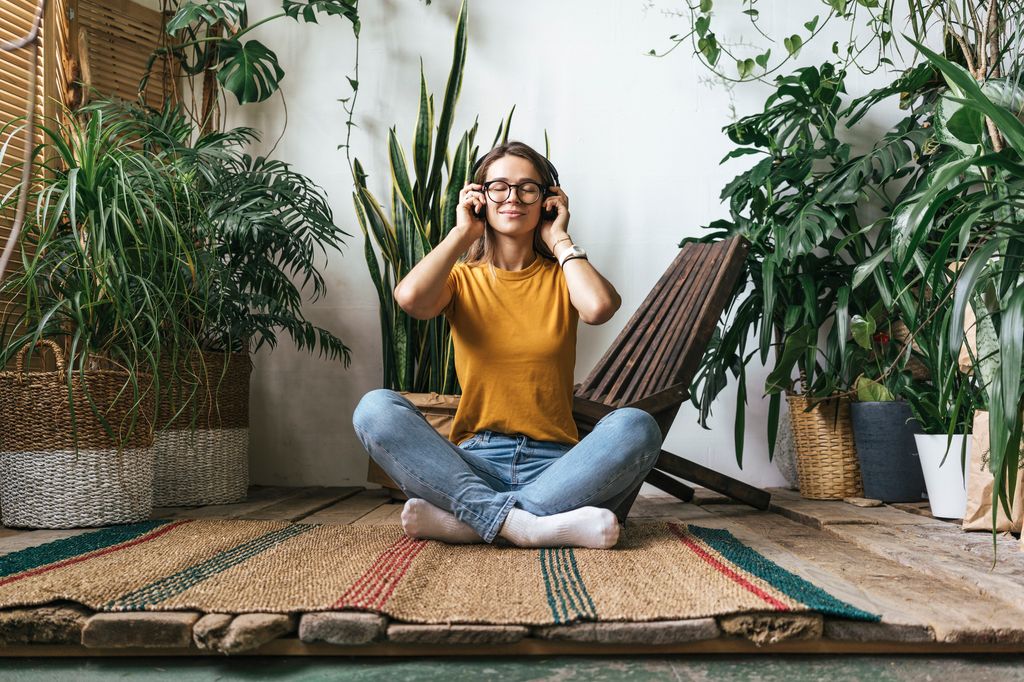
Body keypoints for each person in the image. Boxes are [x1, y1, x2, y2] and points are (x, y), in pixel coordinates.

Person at [352, 141, 663, 549]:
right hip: (474, 462)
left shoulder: (564, 275)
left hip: (560, 466)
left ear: (548, 200)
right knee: (375, 408)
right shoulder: (461, 280)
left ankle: (470, 520)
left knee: (636, 426)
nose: (512, 197)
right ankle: (531, 527)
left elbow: (599, 307)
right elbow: (410, 299)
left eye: (527, 188)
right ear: (479, 198)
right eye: (498, 187)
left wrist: (560, 239)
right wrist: (462, 233)